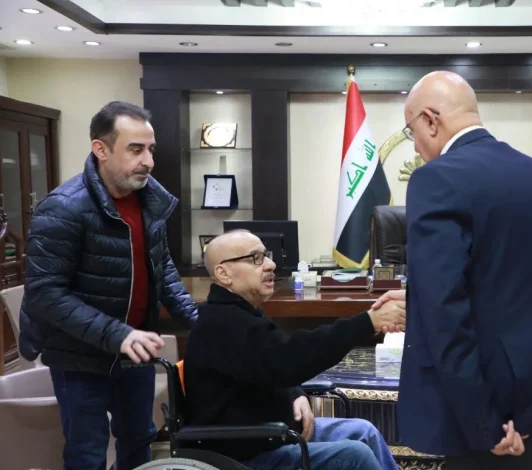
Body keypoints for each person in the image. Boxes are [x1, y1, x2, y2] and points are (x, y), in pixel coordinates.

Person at [373, 71, 532, 469]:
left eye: (412, 132)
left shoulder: (436, 178)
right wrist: (415, 297)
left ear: (430, 120)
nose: (417, 146)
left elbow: (446, 313)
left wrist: (483, 422)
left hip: (501, 402)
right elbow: (512, 277)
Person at [19, 101, 199, 470]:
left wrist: (201, 322)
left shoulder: (149, 200)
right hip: (78, 355)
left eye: (150, 149)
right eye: (135, 149)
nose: (148, 161)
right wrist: (118, 334)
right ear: (101, 149)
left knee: (138, 439)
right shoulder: (63, 207)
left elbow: (162, 268)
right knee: (88, 451)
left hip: (134, 351)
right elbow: (45, 293)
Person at [184, 229, 403, 470]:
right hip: (248, 453)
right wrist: (367, 322)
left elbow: (270, 363)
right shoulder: (221, 324)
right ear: (223, 273)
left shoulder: (240, 312)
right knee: (355, 454)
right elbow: (289, 360)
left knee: (364, 431)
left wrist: (295, 393)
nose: (271, 264)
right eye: (256, 258)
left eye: (266, 255)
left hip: (275, 434)